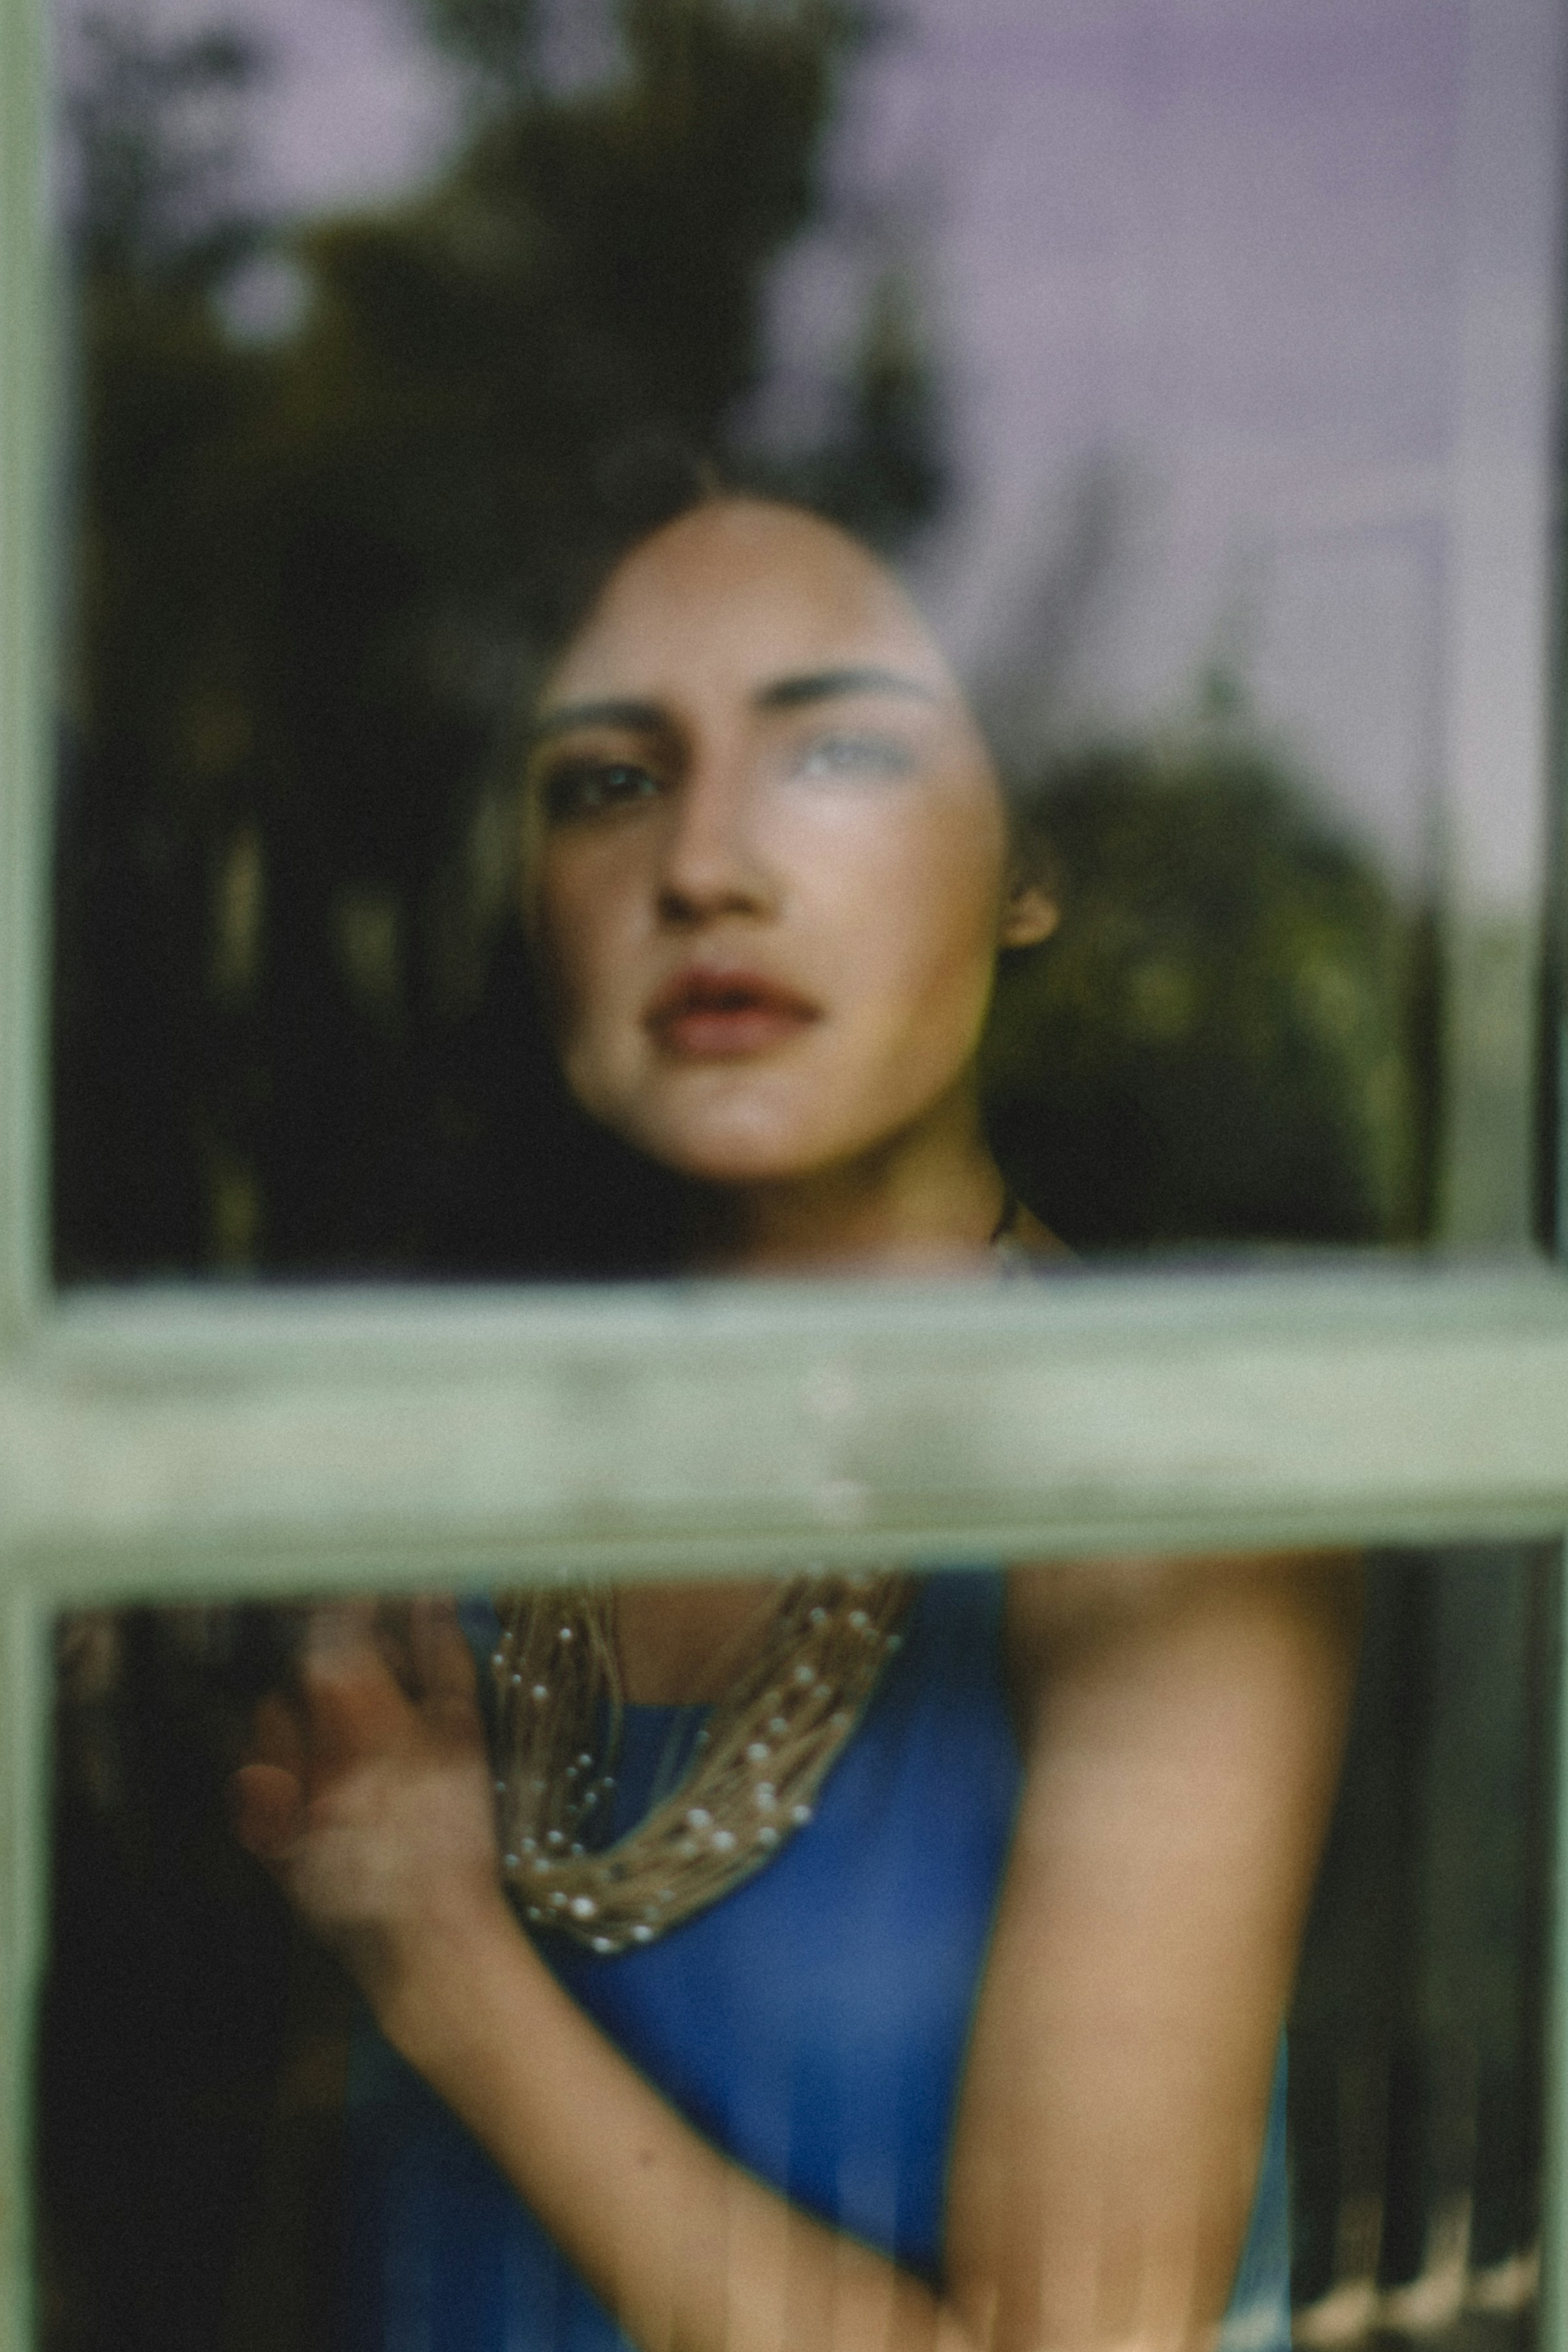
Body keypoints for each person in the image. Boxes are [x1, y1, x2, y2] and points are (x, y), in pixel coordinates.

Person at [234, 490, 1360, 2352]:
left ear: (1029, 860)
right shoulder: (442, 1457)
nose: (707, 865)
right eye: (608, 778)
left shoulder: (1169, 1509)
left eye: (838, 746)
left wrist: (445, 1967)